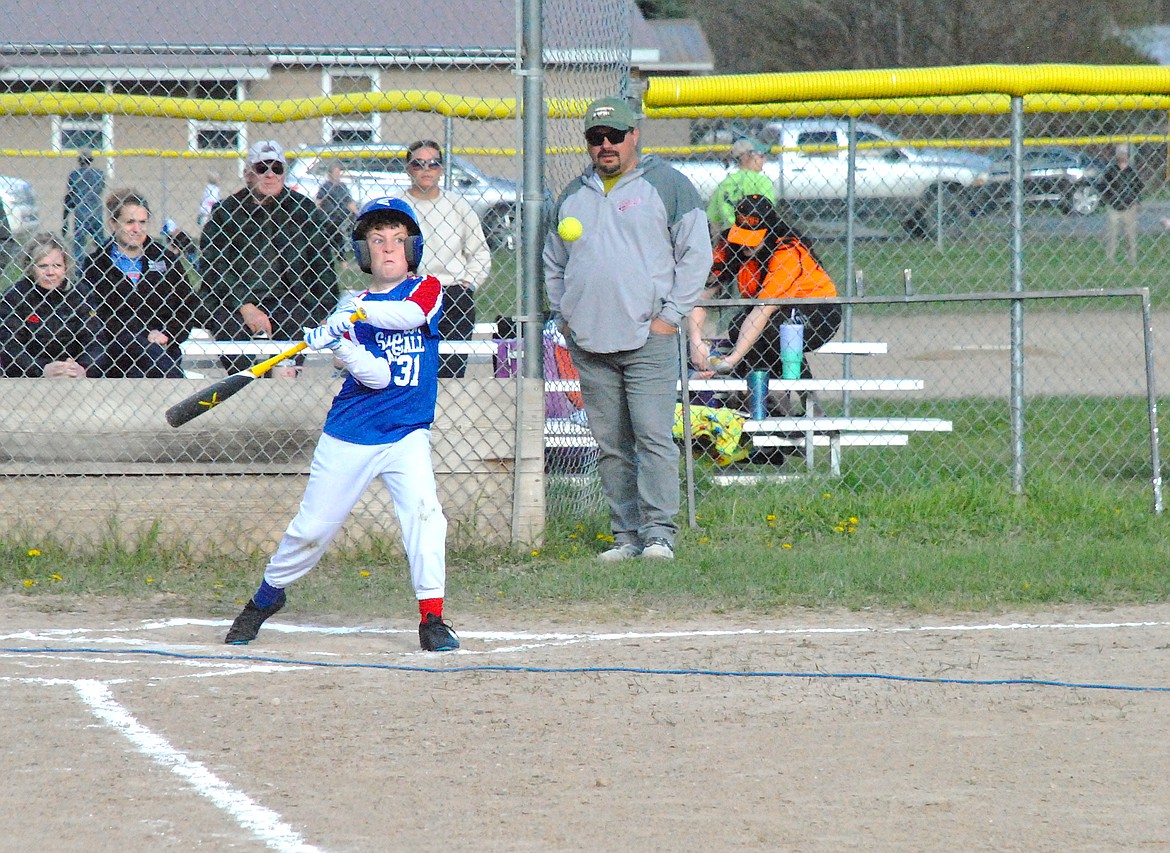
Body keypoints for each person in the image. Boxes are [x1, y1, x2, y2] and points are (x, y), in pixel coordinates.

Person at [224, 197, 459, 653]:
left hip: (407, 432)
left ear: (412, 248)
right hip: (350, 433)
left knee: (427, 518)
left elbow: (409, 317)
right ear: (362, 251)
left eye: (397, 240)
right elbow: (378, 377)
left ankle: (432, 620)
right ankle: (265, 599)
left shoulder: (425, 289)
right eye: (377, 240)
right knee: (311, 531)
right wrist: (340, 342)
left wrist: (353, 316)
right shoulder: (351, 307)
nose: (388, 249)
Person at [543, 96, 712, 562]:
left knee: (652, 437)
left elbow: (696, 256)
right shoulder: (573, 194)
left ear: (634, 135)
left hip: (648, 338)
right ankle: (626, 536)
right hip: (590, 340)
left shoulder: (668, 186)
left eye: (614, 136)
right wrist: (565, 317)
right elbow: (554, 262)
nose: (605, 146)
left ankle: (659, 535)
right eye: (596, 138)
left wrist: (669, 318)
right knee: (611, 445)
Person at [199, 140, 337, 377]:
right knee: (231, 333)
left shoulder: (303, 211)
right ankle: (246, 383)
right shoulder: (226, 211)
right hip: (233, 300)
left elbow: (322, 265)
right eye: (262, 168)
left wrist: (325, 310)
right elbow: (214, 267)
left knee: (294, 331)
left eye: (277, 168)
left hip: (290, 297)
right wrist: (245, 305)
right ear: (247, 174)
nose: (270, 175)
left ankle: (283, 377)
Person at [694, 195, 841, 417]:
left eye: (752, 239)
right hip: (772, 316)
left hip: (818, 310)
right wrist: (696, 341)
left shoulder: (787, 250)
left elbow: (764, 308)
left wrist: (732, 360)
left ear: (769, 232)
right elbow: (701, 295)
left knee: (776, 330)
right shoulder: (731, 246)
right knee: (739, 326)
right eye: (741, 236)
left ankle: (805, 407)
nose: (744, 245)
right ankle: (769, 410)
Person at [395, 139, 491, 378]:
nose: (426, 170)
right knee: (414, 373)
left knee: (450, 373)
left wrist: (468, 283)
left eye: (433, 164)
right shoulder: (398, 206)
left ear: (442, 169)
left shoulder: (456, 205)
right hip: (410, 291)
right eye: (418, 164)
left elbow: (479, 251)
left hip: (452, 291)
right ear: (408, 168)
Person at [81, 189, 199, 378]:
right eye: (129, 222)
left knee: (147, 363)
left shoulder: (166, 260)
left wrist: (167, 333)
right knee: (139, 350)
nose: (137, 229)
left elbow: (187, 306)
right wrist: (137, 338)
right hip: (115, 351)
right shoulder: (97, 264)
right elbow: (92, 313)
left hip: (161, 349)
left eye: (142, 222)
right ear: (113, 223)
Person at [0, 232, 106, 378]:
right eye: (43, 266)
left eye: (57, 265)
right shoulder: (16, 296)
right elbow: (9, 345)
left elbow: (95, 340)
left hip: (73, 371)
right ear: (31, 268)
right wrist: (42, 369)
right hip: (29, 377)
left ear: (65, 267)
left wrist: (83, 367)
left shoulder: (80, 294)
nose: (50, 272)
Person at [706, 137, 774, 238]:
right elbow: (769, 213)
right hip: (755, 236)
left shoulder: (725, 183)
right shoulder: (762, 181)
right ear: (747, 157)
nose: (764, 159)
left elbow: (714, 220)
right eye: (761, 155)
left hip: (730, 236)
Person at [1097, 143, 1143, 266]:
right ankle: (1110, 259)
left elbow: (1138, 187)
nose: (1122, 156)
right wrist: (1109, 198)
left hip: (1129, 206)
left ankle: (1132, 259)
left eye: (1124, 154)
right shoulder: (1111, 171)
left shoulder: (1131, 171)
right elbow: (1102, 186)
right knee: (1112, 234)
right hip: (1114, 206)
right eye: (1120, 154)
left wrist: (1136, 201)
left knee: (1130, 235)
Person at [63, 148, 105, 271]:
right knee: (100, 243)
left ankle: (79, 271)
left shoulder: (75, 175)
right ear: (91, 160)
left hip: (81, 213)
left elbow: (70, 197)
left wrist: (65, 217)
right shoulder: (99, 174)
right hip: (96, 211)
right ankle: (103, 266)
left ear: (80, 161)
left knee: (78, 246)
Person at [315, 163, 358, 270]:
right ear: (330, 174)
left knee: (336, 239)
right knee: (334, 239)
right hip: (327, 218)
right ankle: (341, 261)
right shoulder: (326, 186)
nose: (338, 175)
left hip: (339, 218)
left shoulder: (342, 186)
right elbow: (318, 201)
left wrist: (357, 212)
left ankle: (342, 261)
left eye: (339, 173)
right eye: (336, 173)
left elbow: (348, 202)